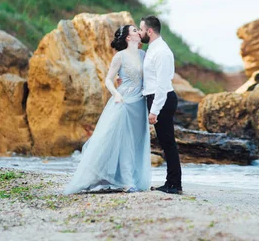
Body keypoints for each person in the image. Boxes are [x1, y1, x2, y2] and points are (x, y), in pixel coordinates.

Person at [63, 25, 151, 194]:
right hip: (123, 102)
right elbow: (108, 80)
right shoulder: (120, 56)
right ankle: (126, 182)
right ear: (127, 37)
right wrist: (116, 94)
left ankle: (132, 178)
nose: (138, 32)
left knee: (136, 142)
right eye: (134, 30)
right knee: (123, 141)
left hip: (139, 104)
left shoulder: (143, 55)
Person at [139, 15, 183, 194]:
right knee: (166, 143)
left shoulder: (162, 52)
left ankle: (174, 184)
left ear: (149, 31)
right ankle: (171, 182)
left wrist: (154, 110)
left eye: (141, 29)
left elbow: (163, 85)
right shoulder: (153, 49)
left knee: (168, 144)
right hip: (156, 98)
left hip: (162, 99)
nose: (140, 32)